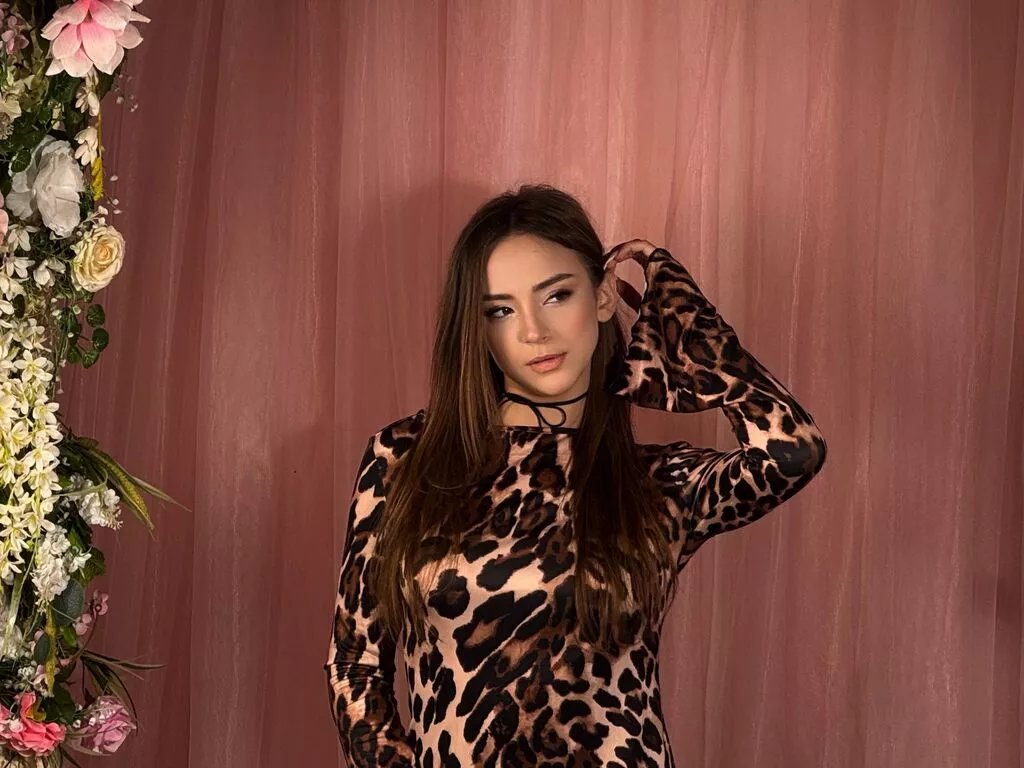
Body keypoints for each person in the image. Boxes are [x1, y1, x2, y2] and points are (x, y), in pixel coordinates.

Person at [324, 184, 828, 767]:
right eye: (500, 310)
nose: (533, 330)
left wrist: (689, 326)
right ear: (476, 328)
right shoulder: (403, 459)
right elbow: (355, 664)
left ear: (604, 296)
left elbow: (794, 452)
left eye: (557, 295)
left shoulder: (661, 483)